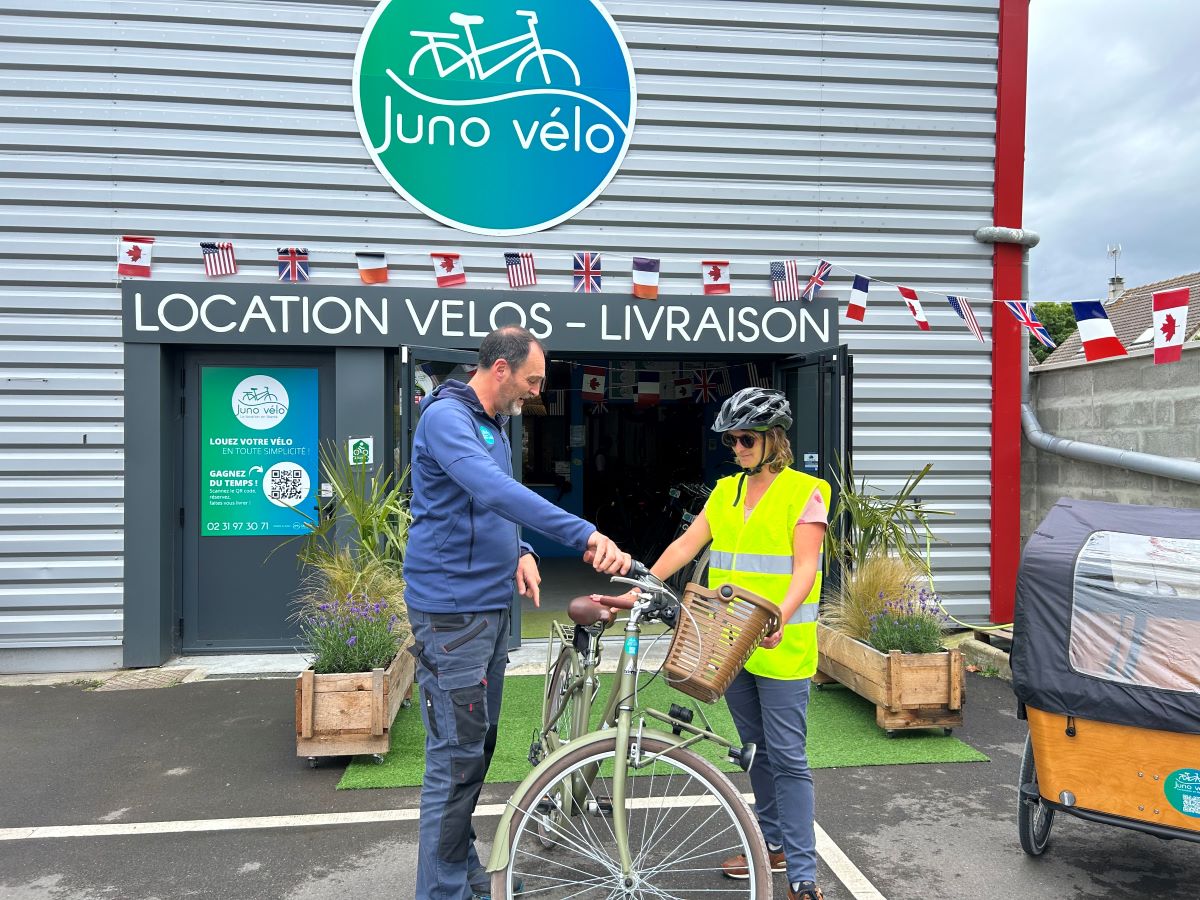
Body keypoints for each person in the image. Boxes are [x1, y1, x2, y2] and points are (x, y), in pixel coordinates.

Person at [403, 325, 630, 900]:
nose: (535, 393)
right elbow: (493, 489)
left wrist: (522, 550)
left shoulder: (496, 424)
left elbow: (497, 495)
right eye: (531, 381)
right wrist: (584, 534)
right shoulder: (446, 418)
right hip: (452, 614)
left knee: (474, 750)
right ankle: (443, 890)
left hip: (487, 607)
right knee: (454, 759)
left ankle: (460, 875)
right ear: (499, 370)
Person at [637, 387, 830, 900]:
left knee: (789, 758)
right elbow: (686, 544)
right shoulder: (725, 492)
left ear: (773, 440)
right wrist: (645, 585)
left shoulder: (805, 492)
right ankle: (771, 846)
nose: (738, 448)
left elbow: (806, 569)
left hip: (781, 645)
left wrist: (780, 617)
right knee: (757, 754)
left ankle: (804, 873)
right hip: (729, 642)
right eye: (732, 440)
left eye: (746, 439)